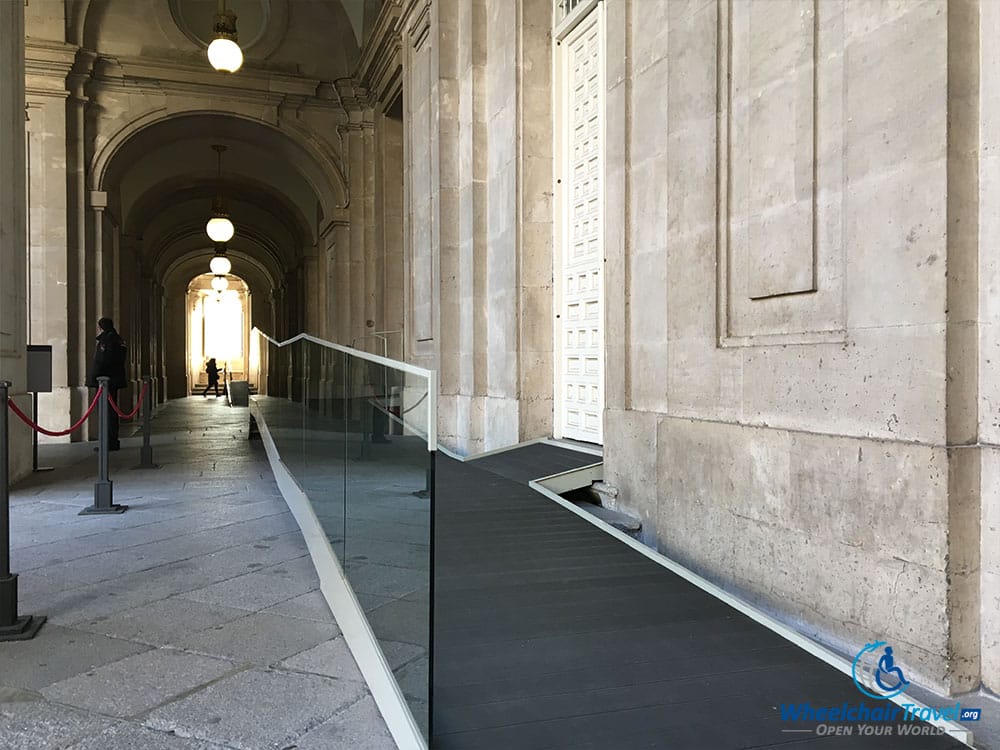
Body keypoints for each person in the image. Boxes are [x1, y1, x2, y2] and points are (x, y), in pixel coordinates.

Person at [86, 317, 127, 451]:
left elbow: (103, 361)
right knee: (111, 413)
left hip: (105, 382)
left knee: (106, 413)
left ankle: (108, 442)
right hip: (113, 380)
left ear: (101, 327)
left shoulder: (107, 340)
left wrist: (96, 378)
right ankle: (111, 440)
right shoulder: (117, 339)